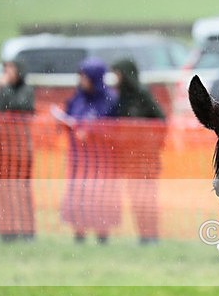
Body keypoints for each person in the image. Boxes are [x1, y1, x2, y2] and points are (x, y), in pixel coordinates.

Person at [58, 57, 120, 244]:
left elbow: (115, 127)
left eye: (84, 76)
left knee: (100, 196)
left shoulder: (110, 99)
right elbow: (69, 115)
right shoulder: (77, 98)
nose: (81, 80)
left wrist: (91, 131)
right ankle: (79, 233)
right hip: (79, 160)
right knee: (78, 195)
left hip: (102, 161)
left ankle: (102, 234)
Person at [111, 58, 167, 245]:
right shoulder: (121, 97)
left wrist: (147, 141)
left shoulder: (142, 94)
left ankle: (152, 234)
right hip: (128, 157)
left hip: (145, 157)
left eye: (118, 73)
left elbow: (160, 120)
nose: (115, 78)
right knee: (135, 196)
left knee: (147, 197)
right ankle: (143, 235)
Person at [0, 59, 36, 241]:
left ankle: (27, 230)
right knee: (5, 190)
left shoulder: (26, 90)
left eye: (10, 70)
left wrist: (6, 88)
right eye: (5, 70)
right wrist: (2, 89)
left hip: (21, 148)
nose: (7, 73)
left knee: (22, 190)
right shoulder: (1, 90)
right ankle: (7, 229)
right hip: (4, 148)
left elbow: (19, 106)